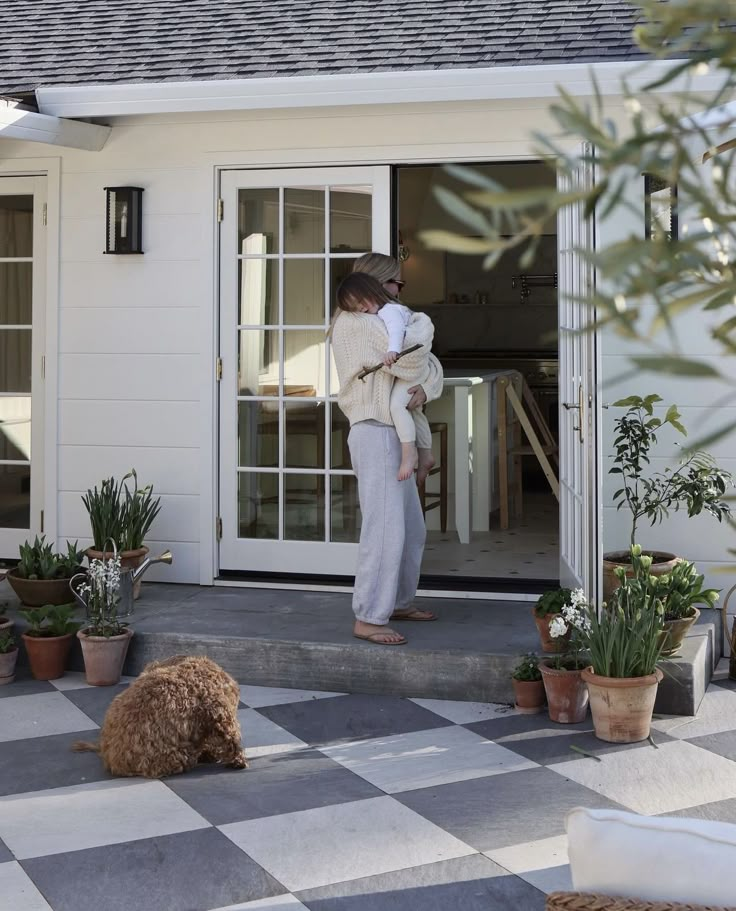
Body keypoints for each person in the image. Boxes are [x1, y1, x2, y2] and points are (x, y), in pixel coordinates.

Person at [330, 258, 444, 645]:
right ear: (377, 286)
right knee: (384, 530)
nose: (401, 293)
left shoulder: (378, 321)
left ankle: (395, 602)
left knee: (410, 529)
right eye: (398, 284)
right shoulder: (358, 324)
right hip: (375, 432)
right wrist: (424, 324)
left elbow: (430, 367)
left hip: (393, 431)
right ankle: (368, 616)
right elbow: (414, 357)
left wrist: (428, 386)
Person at [336, 274, 435, 482]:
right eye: (356, 307)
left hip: (379, 422)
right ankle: (425, 454)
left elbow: (402, 340)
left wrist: (393, 351)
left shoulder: (388, 311)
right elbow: (423, 356)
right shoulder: (370, 319)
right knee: (414, 411)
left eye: (361, 303)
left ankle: (411, 454)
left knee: (398, 407)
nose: (361, 310)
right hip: (375, 422)